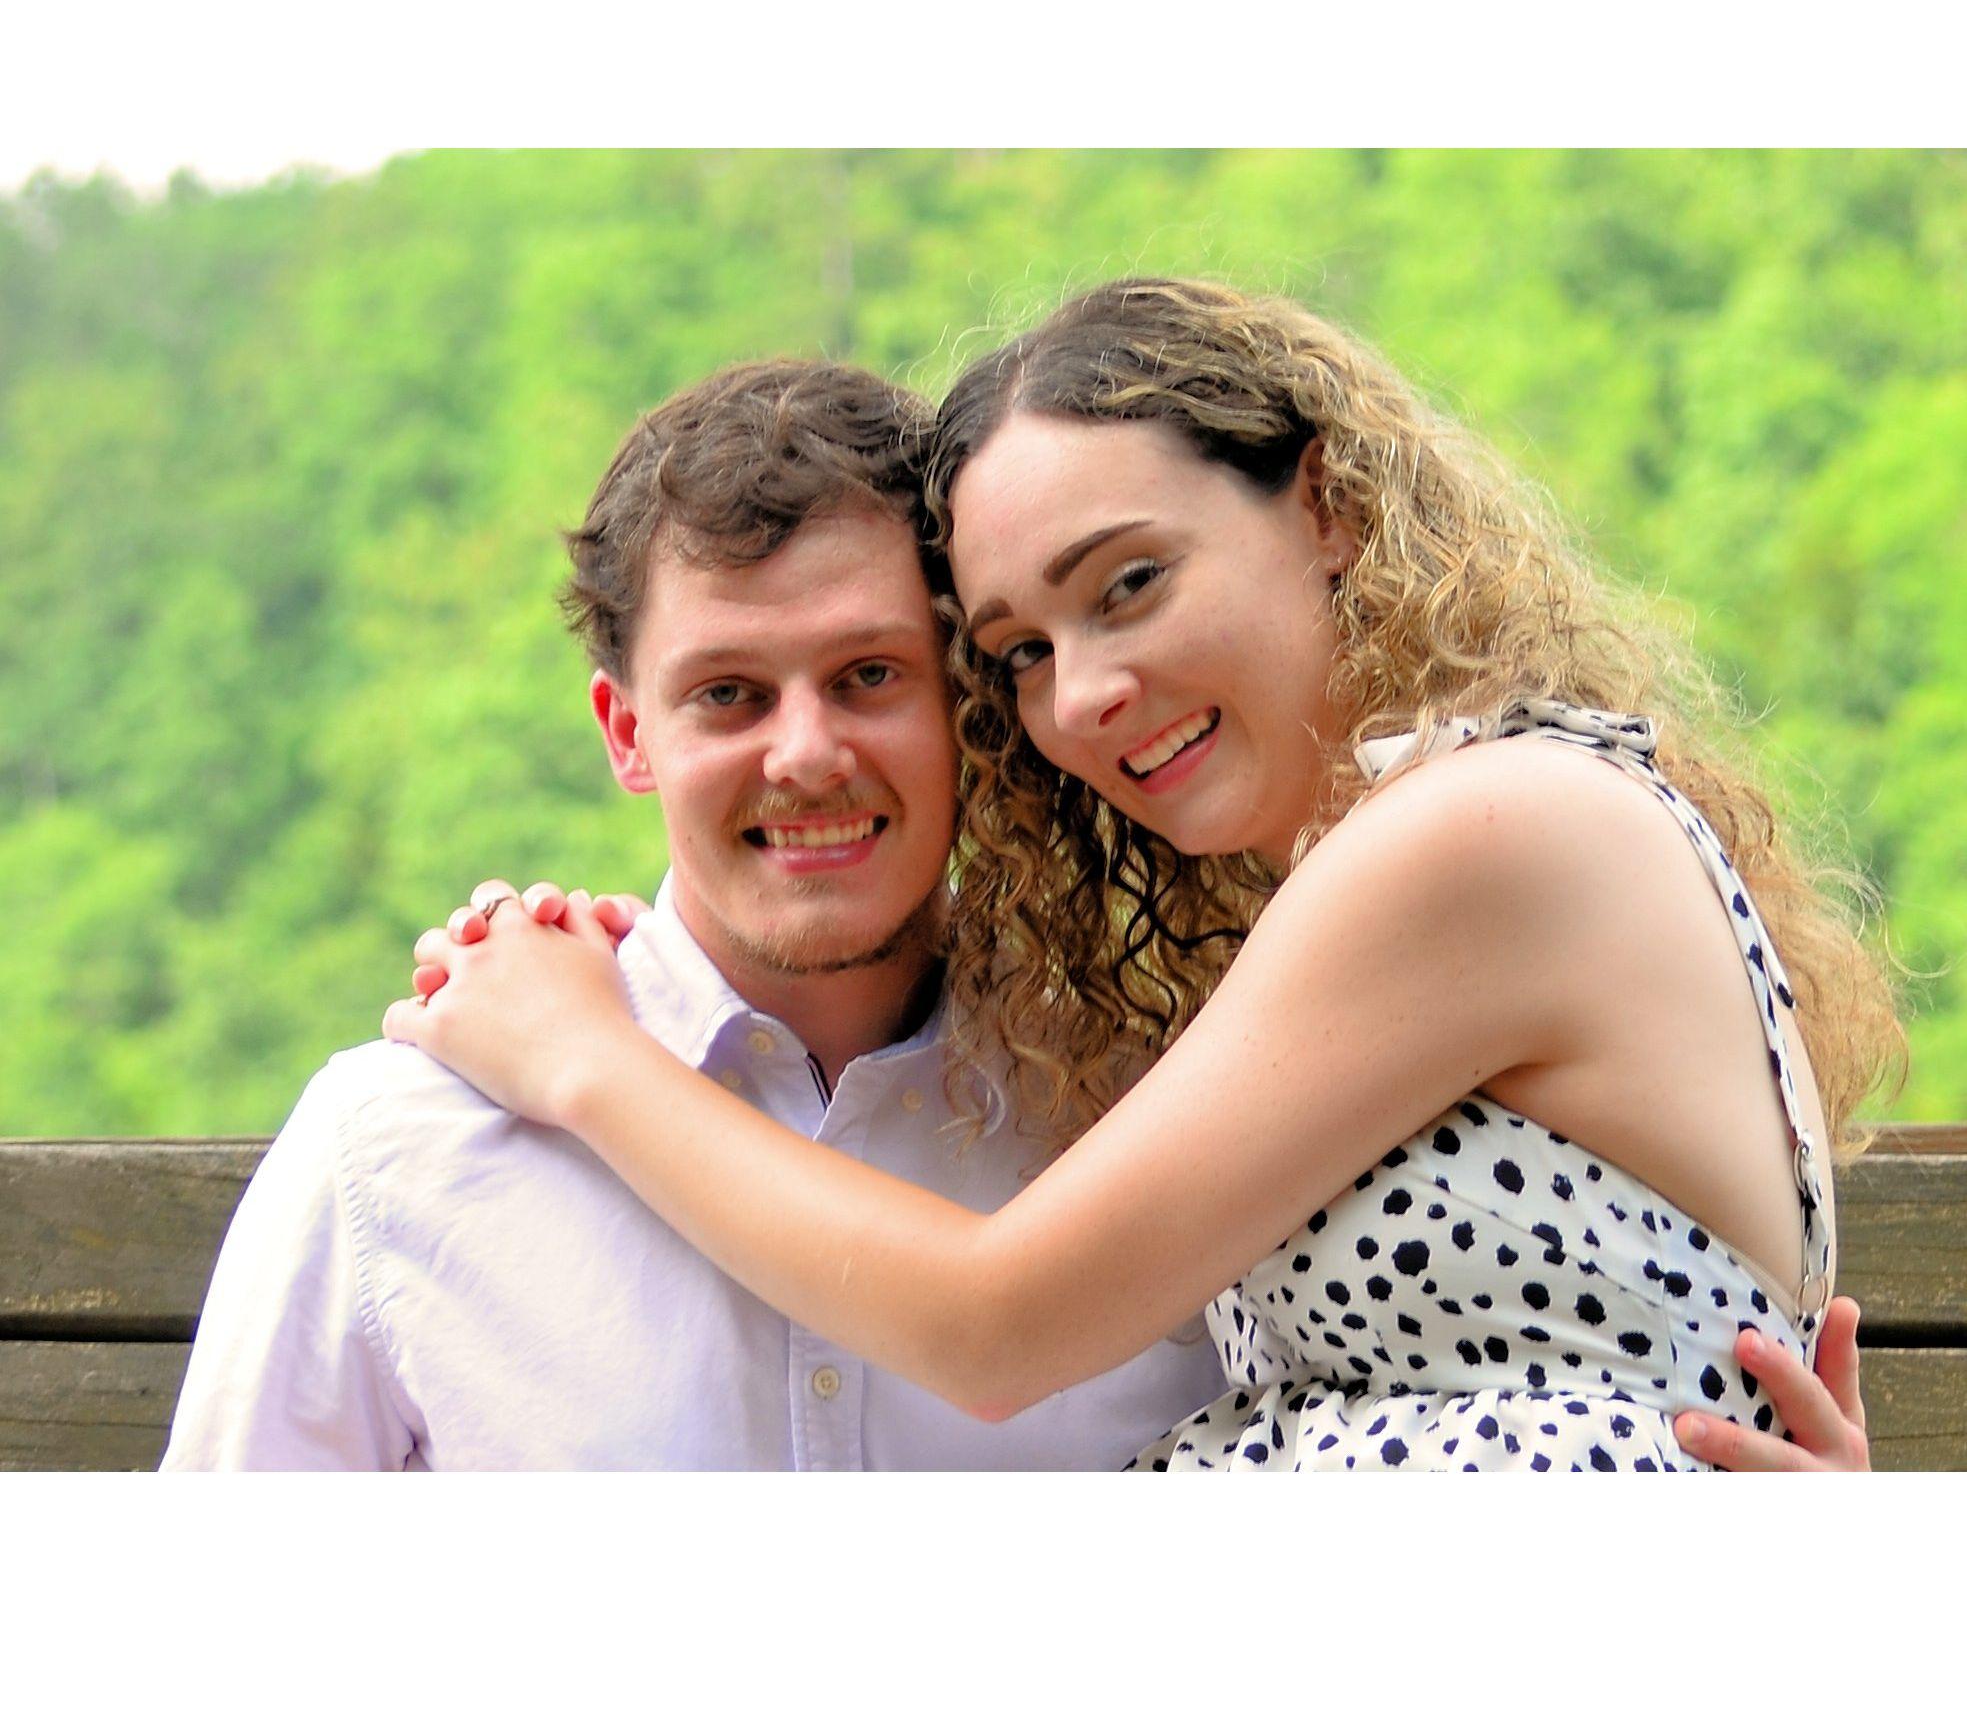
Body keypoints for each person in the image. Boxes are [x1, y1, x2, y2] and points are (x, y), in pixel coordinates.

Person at [389, 278, 1893, 1472]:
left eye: (1129, 582)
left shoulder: (1479, 832)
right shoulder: (1400, 856)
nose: (1084, 694)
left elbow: (995, 1325)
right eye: (1019, 653)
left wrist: (586, 1056)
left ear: (1325, 509)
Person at [161, 359, 1226, 1469]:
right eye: (728, 694)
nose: (805, 754)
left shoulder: (1141, 1104)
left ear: (964, 699)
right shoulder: (393, 1147)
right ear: (626, 733)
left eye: (868, 674)